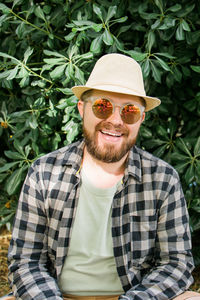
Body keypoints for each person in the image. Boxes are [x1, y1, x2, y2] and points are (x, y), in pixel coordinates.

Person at [6, 53, 200, 300]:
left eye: (129, 111)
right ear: (82, 109)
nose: (115, 121)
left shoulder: (163, 179)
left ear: (141, 119)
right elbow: (25, 262)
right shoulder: (44, 173)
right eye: (102, 106)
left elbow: (177, 264)